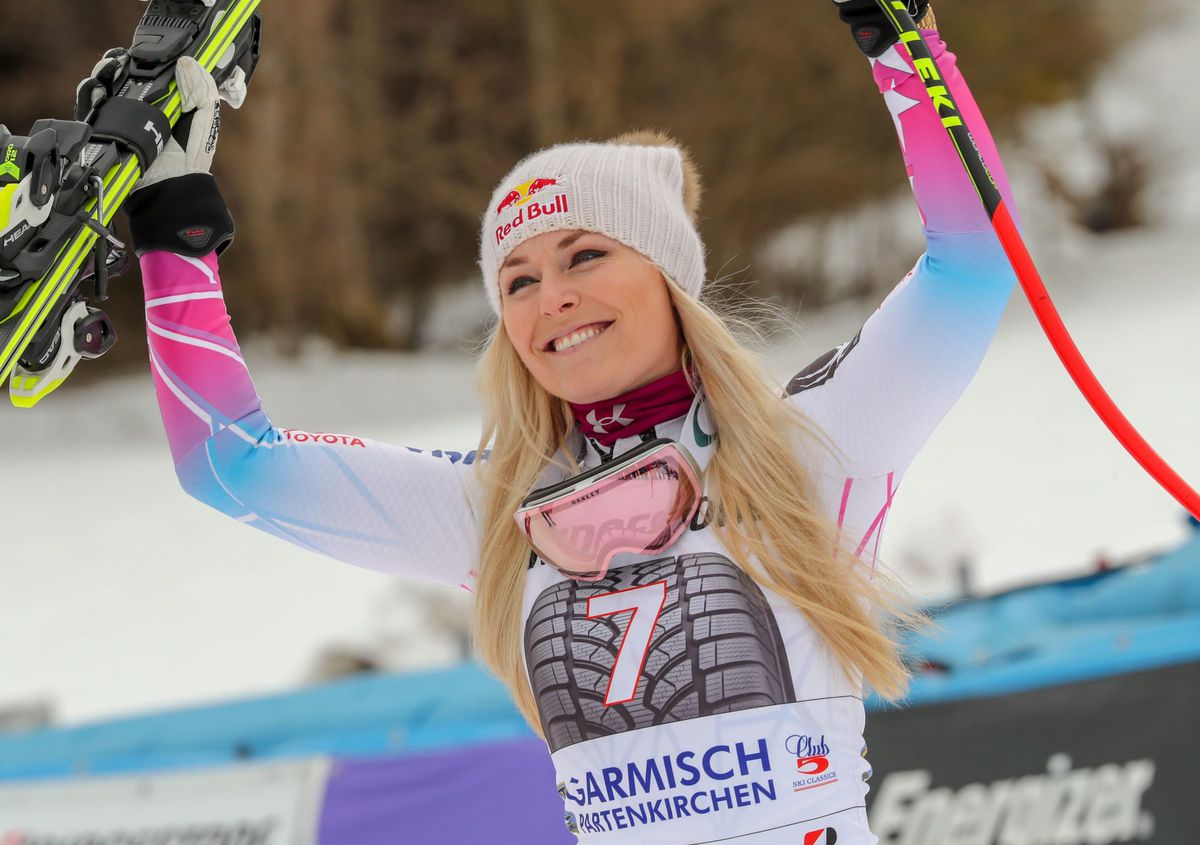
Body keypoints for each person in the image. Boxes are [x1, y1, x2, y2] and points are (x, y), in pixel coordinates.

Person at [83, 1, 1018, 841]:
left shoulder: (807, 446)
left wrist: (904, 42)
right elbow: (230, 461)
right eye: (518, 281)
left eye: (584, 256)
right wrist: (176, 232)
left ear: (667, 275)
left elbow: (973, 264)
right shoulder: (502, 510)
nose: (551, 299)